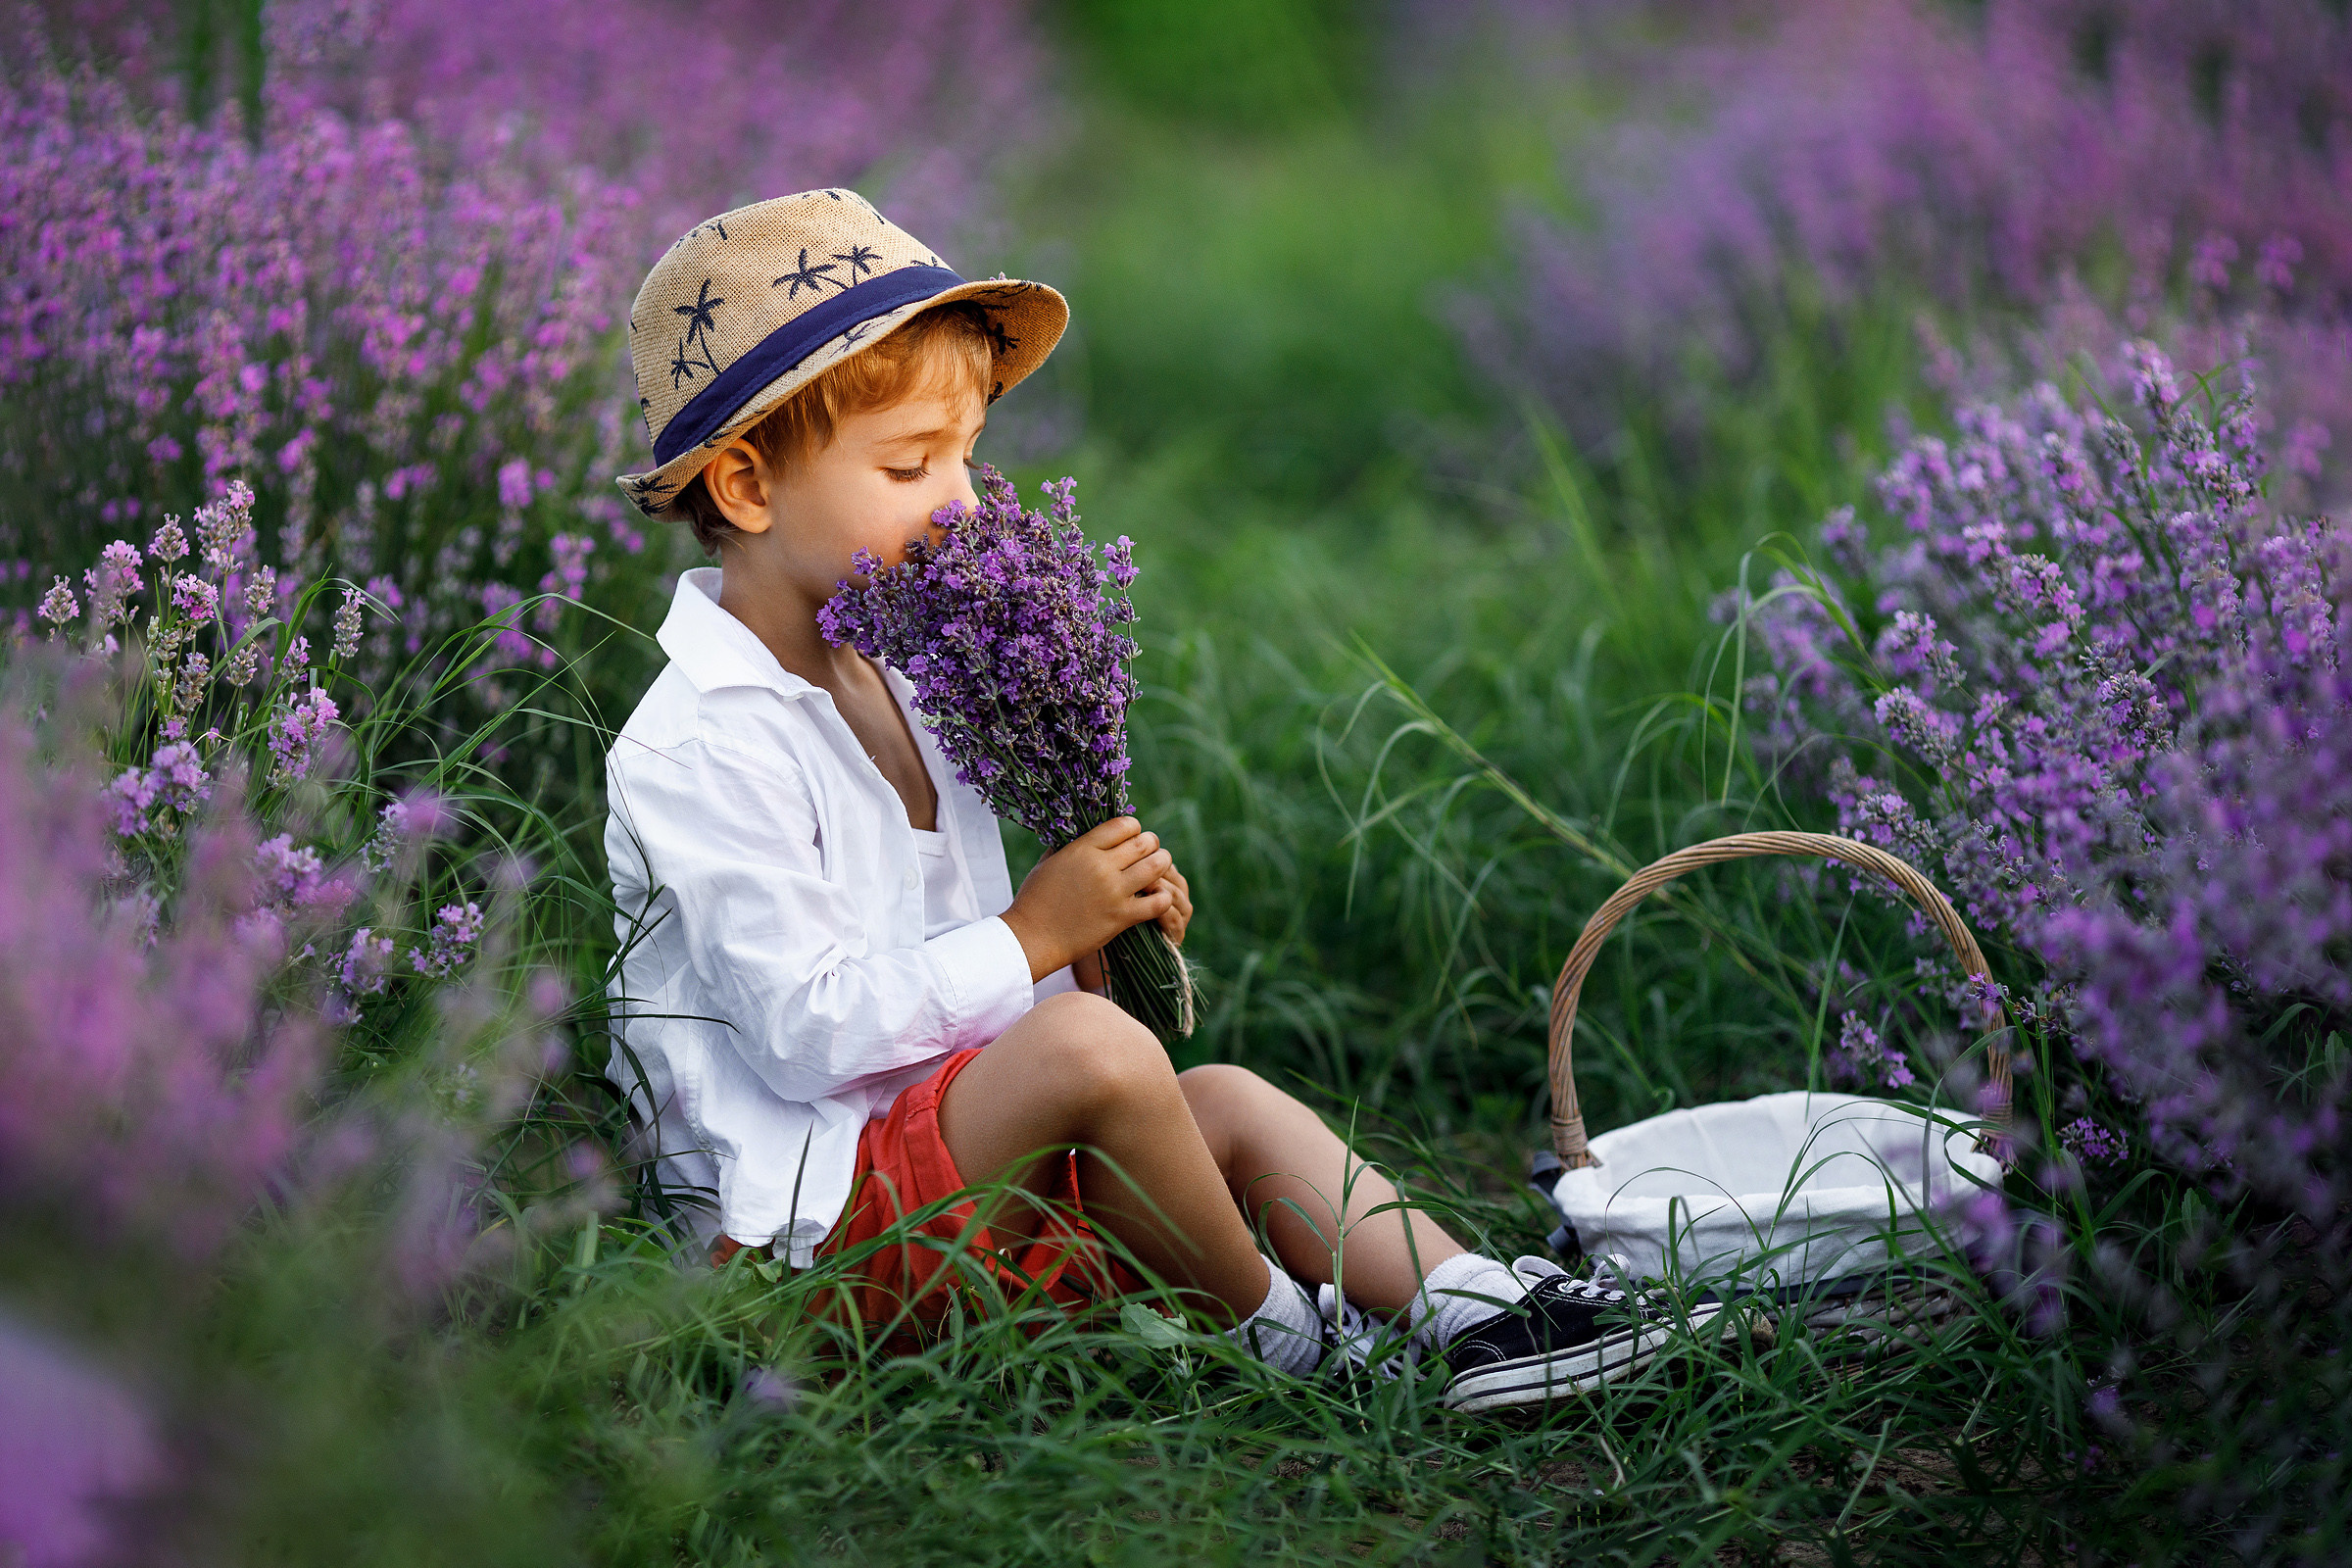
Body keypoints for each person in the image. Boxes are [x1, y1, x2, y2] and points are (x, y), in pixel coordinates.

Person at [603, 190, 1711, 1411]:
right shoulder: (702, 742)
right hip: (806, 1249)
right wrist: (1035, 937)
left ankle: (1488, 1309)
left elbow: (953, 992)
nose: (964, 502)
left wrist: (1078, 954)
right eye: (911, 464)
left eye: (968, 456)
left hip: (958, 1184)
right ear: (749, 487)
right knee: (1090, 1049)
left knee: (1216, 1097)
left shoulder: (899, 674)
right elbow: (808, 1033)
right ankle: (1303, 1340)